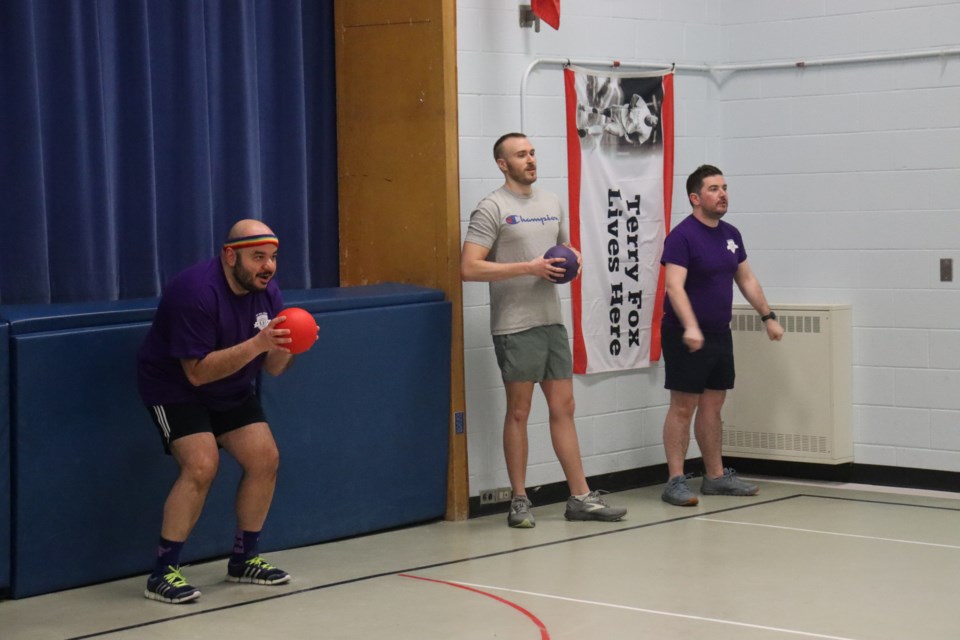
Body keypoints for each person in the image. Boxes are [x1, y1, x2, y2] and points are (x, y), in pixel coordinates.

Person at [137, 219, 315, 603]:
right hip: (176, 389)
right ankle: (163, 571)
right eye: (257, 257)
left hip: (232, 387)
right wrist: (258, 343)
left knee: (265, 458)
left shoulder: (268, 292)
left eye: (272, 258)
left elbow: (273, 368)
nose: (267, 266)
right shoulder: (195, 292)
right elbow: (197, 373)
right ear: (230, 255)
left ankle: (244, 559)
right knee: (201, 465)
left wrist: (288, 346)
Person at [461, 132, 627, 528]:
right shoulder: (492, 207)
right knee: (519, 411)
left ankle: (580, 497)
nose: (531, 159)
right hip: (515, 325)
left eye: (533, 152)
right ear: (503, 164)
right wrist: (529, 267)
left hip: (552, 321)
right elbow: (469, 268)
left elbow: (565, 250)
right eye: (521, 155)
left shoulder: (551, 202)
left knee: (564, 408)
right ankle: (519, 500)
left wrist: (574, 258)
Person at [659, 165, 784, 506]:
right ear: (695, 198)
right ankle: (674, 480)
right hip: (685, 335)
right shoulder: (682, 236)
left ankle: (714, 476)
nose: (723, 194)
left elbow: (746, 279)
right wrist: (690, 325)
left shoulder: (731, 234)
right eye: (714, 188)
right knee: (683, 407)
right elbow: (674, 286)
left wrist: (768, 316)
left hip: (718, 334)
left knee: (713, 406)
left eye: (725, 187)